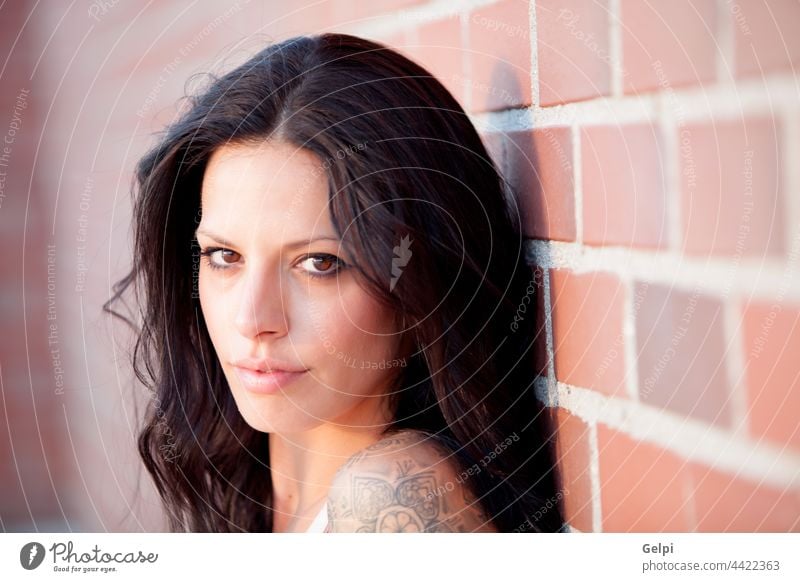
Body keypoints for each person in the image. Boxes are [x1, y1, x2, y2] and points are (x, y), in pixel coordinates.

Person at [105, 32, 564, 533]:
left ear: (421, 284)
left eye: (319, 263)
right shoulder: (253, 487)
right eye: (223, 255)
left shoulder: (387, 501)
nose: (251, 319)